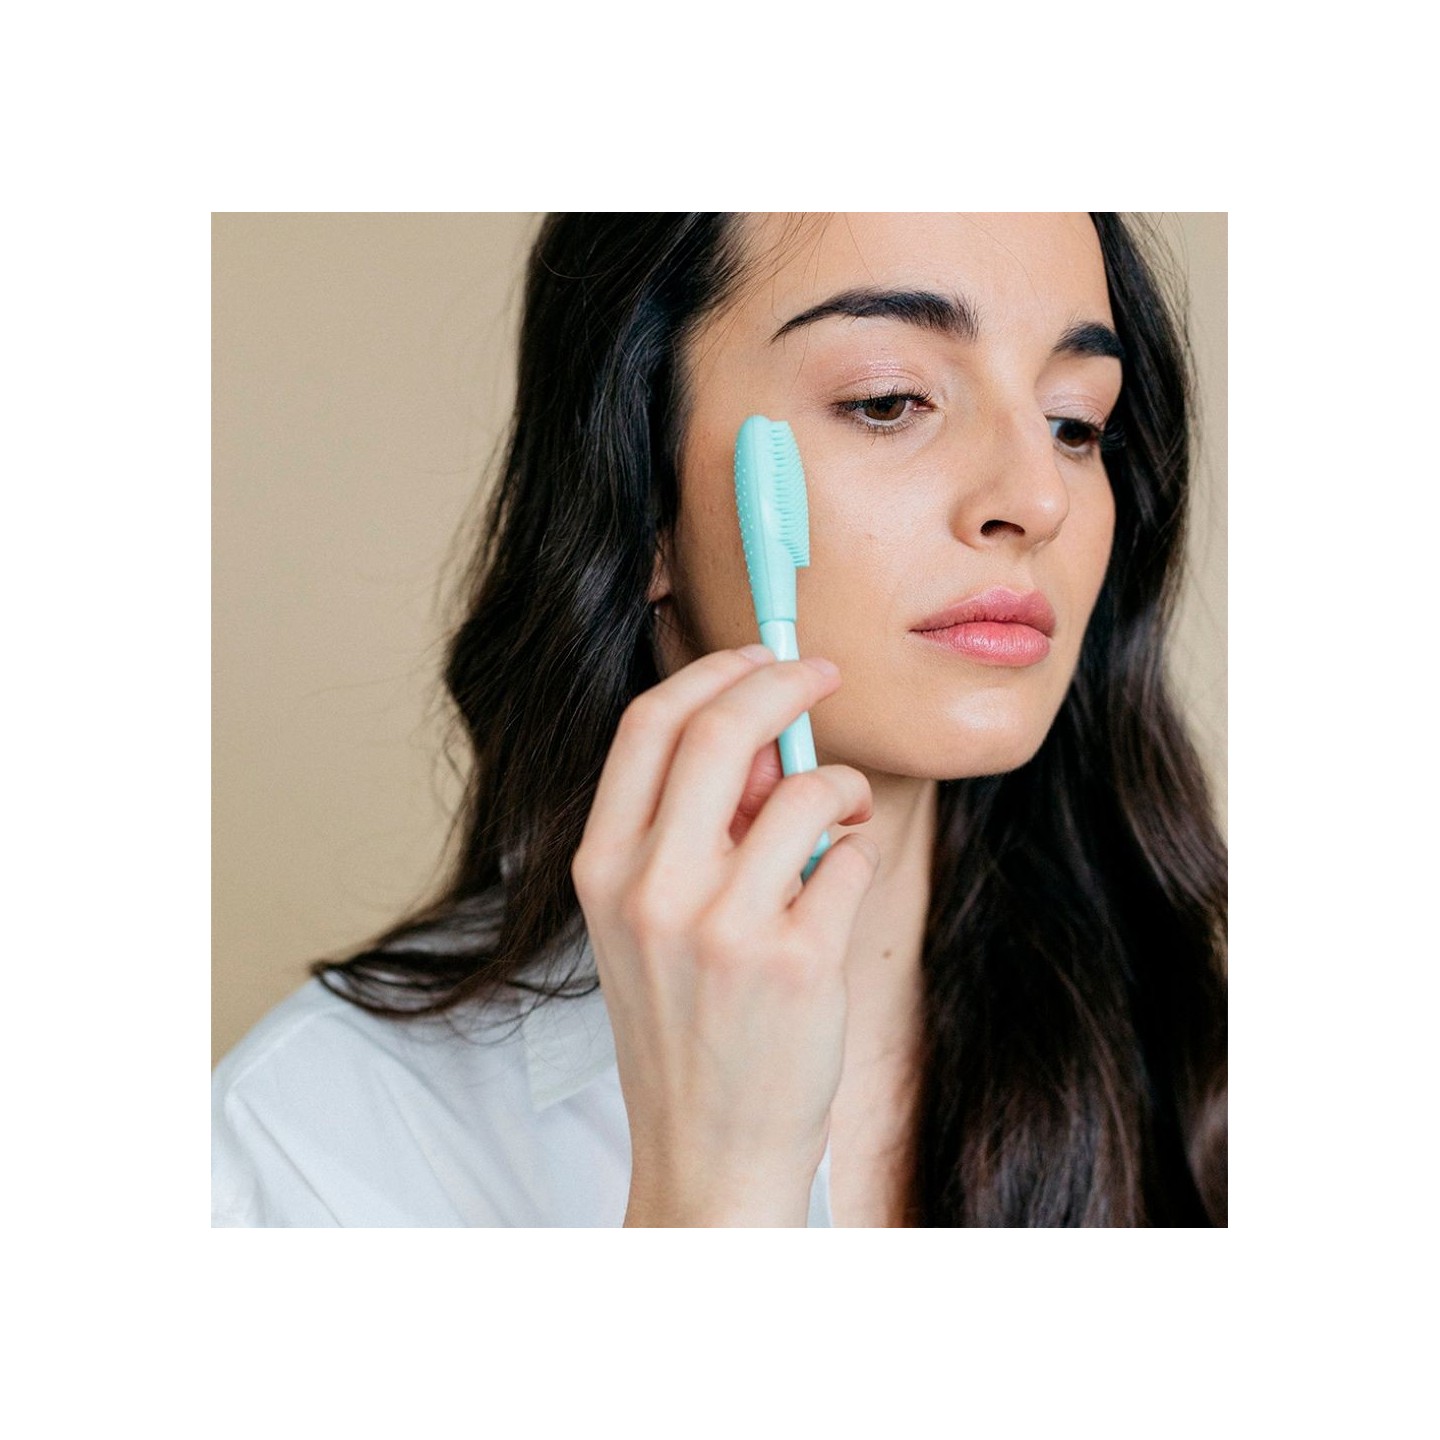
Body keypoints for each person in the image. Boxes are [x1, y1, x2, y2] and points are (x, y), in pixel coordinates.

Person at [212, 213, 1227, 1228]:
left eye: (1075, 423)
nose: (1039, 497)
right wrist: (720, 1184)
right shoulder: (320, 1139)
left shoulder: (1203, 1055)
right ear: (642, 492)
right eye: (888, 401)